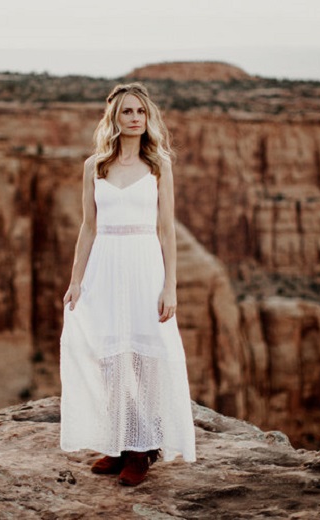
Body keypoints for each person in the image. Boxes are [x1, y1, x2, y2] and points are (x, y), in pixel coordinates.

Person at [60, 83, 196, 487]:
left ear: (147, 117)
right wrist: (76, 281)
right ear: (114, 119)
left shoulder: (159, 166)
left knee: (143, 356)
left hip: (143, 264)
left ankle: (143, 449)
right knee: (109, 358)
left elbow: (166, 230)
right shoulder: (95, 166)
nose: (135, 118)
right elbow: (88, 227)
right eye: (126, 112)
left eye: (140, 111)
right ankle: (120, 443)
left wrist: (170, 285)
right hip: (105, 265)